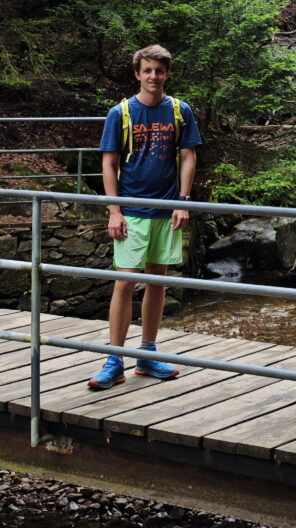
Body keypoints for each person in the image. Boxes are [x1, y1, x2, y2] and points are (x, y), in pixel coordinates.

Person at [88, 44, 203, 390]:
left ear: (167, 74)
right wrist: (114, 210)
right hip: (132, 210)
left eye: (160, 70)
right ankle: (114, 359)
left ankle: (148, 353)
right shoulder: (120, 113)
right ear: (138, 74)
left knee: (157, 281)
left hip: (166, 209)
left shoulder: (180, 111)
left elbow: (188, 157)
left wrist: (183, 202)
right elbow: (108, 163)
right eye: (148, 70)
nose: (154, 76)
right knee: (124, 283)